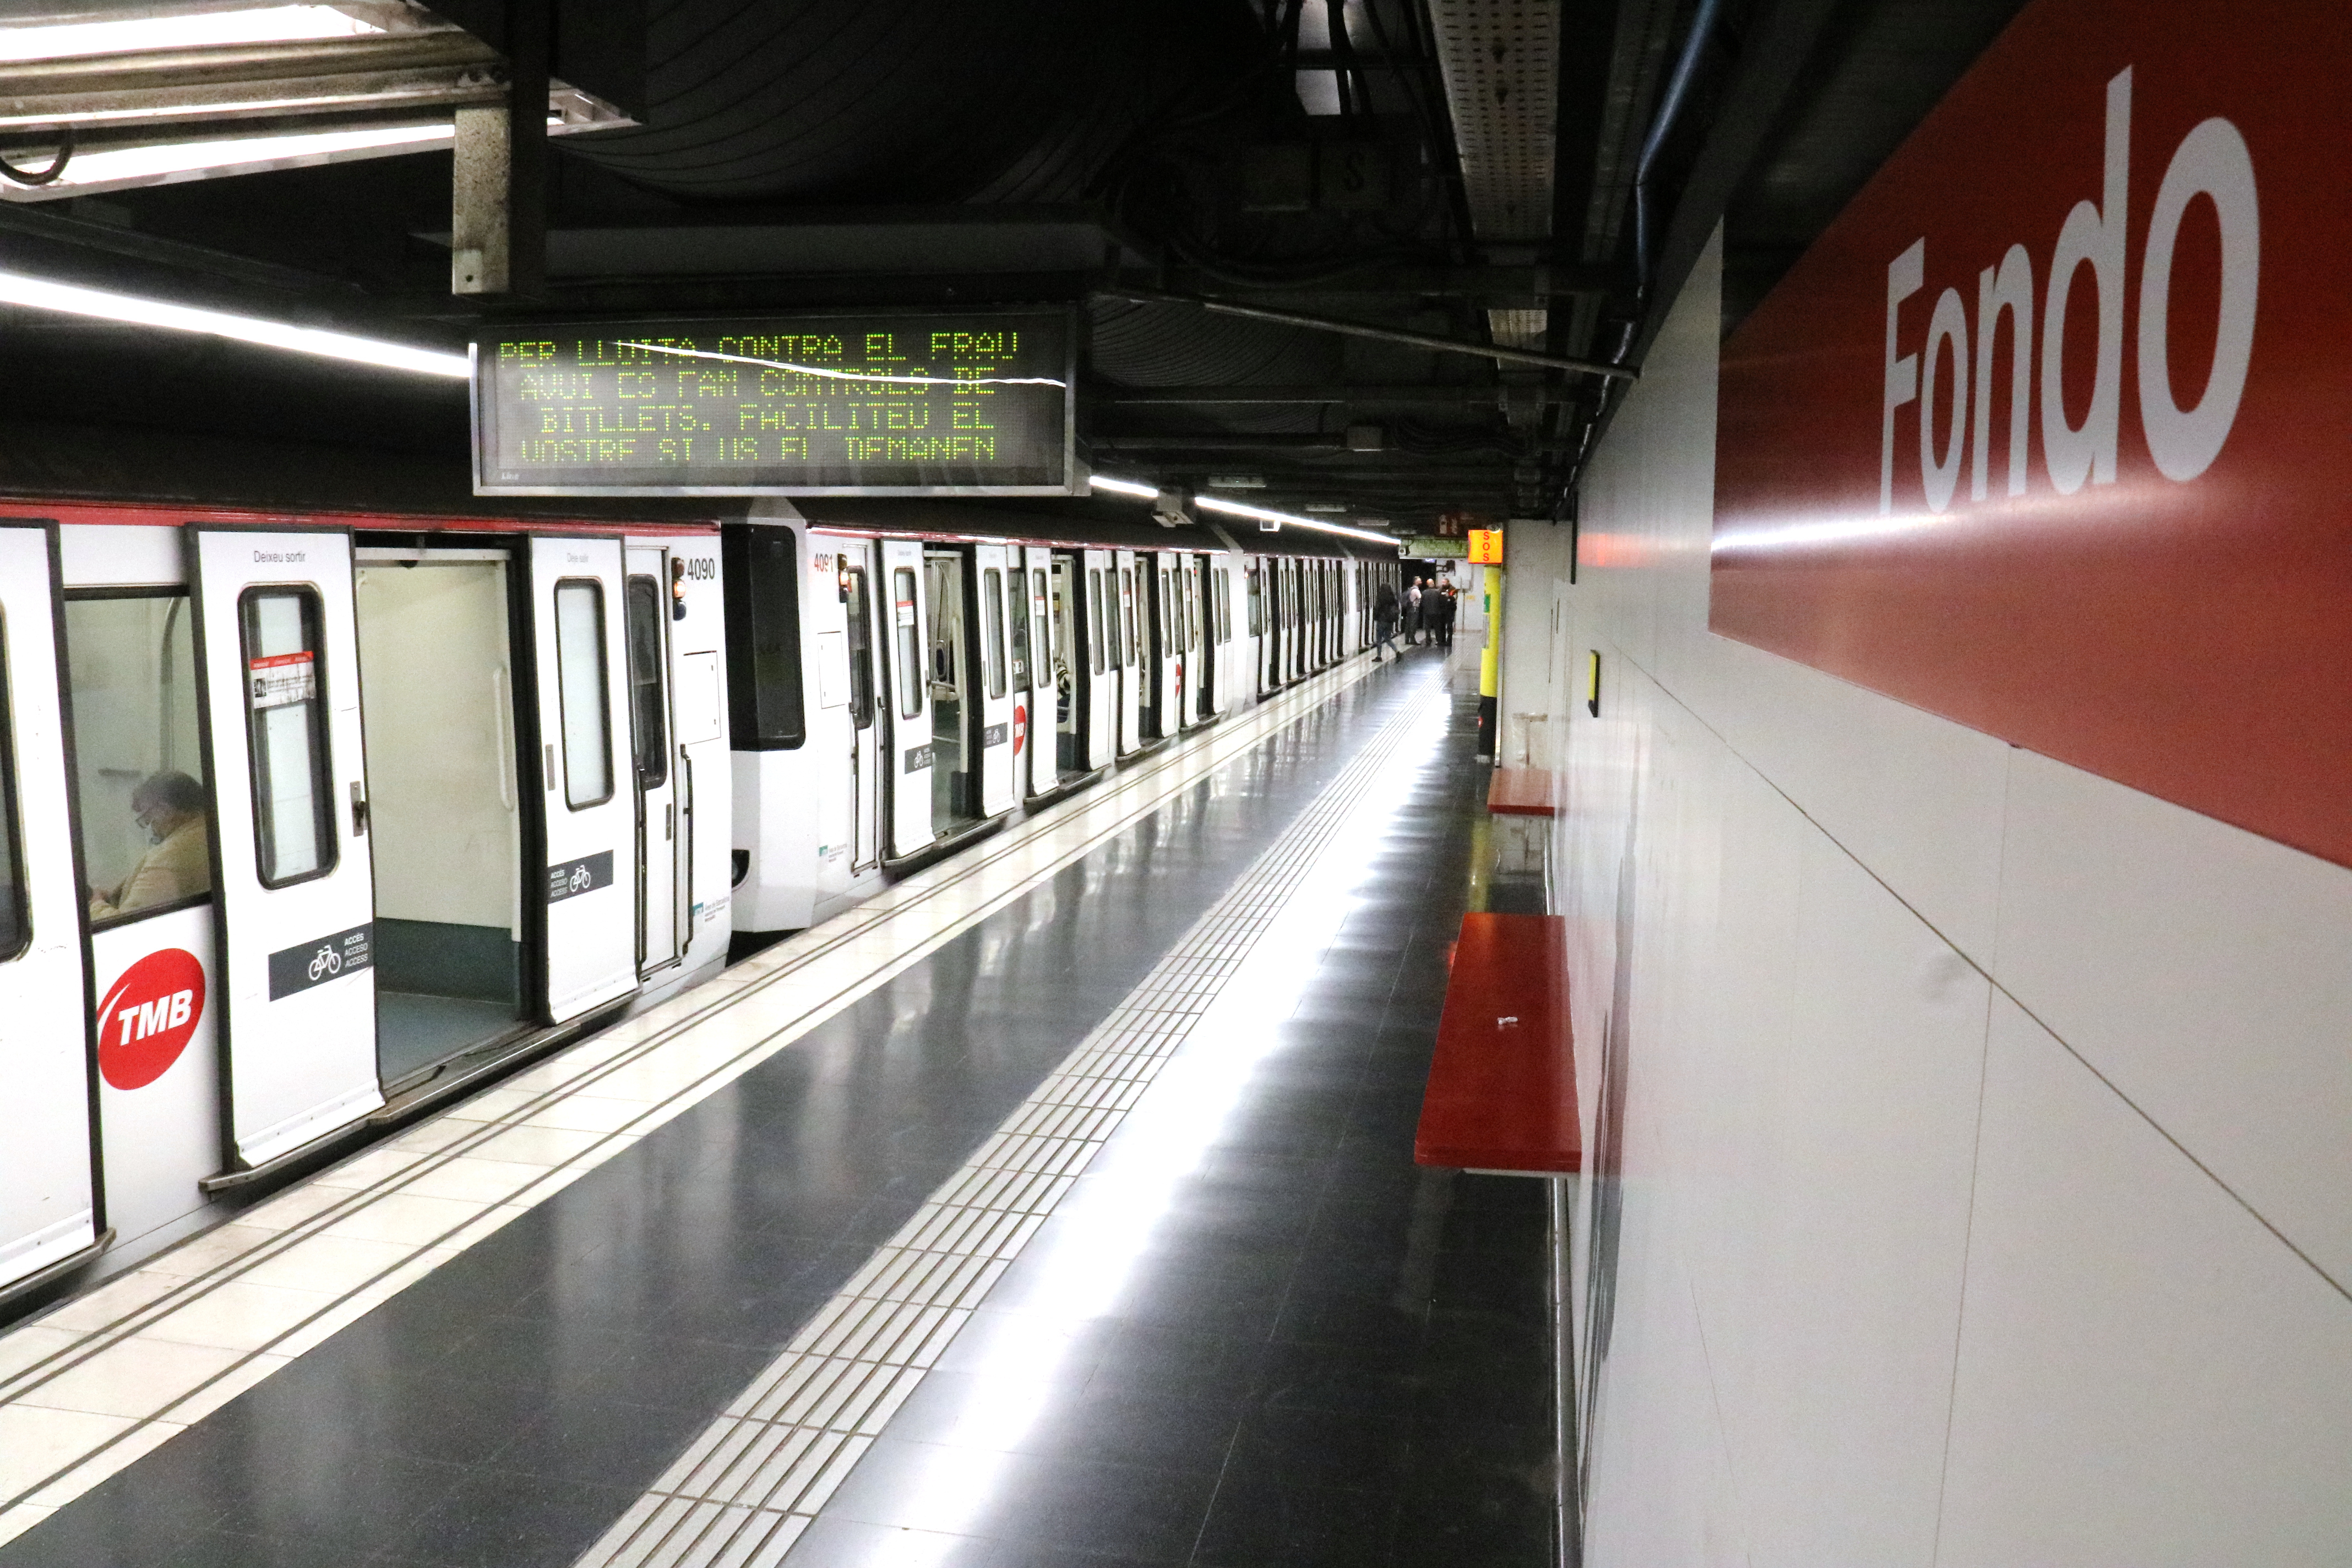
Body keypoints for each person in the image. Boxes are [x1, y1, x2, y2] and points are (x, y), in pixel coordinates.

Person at [90, 770, 209, 921]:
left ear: (165, 811)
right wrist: (116, 898)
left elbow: (127, 925)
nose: (152, 828)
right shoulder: (212, 833)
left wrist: (96, 904)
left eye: (149, 818)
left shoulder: (169, 857)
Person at [1372, 580, 1401, 661]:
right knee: (1388, 639)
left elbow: (1378, 609)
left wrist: (1376, 617)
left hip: (1381, 621)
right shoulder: (1393, 598)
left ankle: (1379, 656)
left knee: (1379, 639)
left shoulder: (1381, 598)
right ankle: (1397, 651)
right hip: (1390, 622)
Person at [1433, 583, 1458, 650]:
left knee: (1449, 627)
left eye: (1445, 582)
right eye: (1443, 582)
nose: (1443, 584)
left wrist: (1449, 597)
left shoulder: (1453, 590)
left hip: (1450, 611)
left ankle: (1449, 641)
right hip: (1442, 612)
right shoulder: (1440, 591)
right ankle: (1442, 641)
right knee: (1442, 627)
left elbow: (1454, 600)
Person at [1404, 579, 1423, 645]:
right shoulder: (1416, 590)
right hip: (1414, 609)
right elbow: (1421, 598)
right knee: (1413, 624)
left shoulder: (1410, 589)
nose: (1421, 582)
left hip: (1409, 609)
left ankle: (1407, 640)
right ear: (1416, 582)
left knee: (1408, 624)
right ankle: (1412, 639)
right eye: (1419, 581)